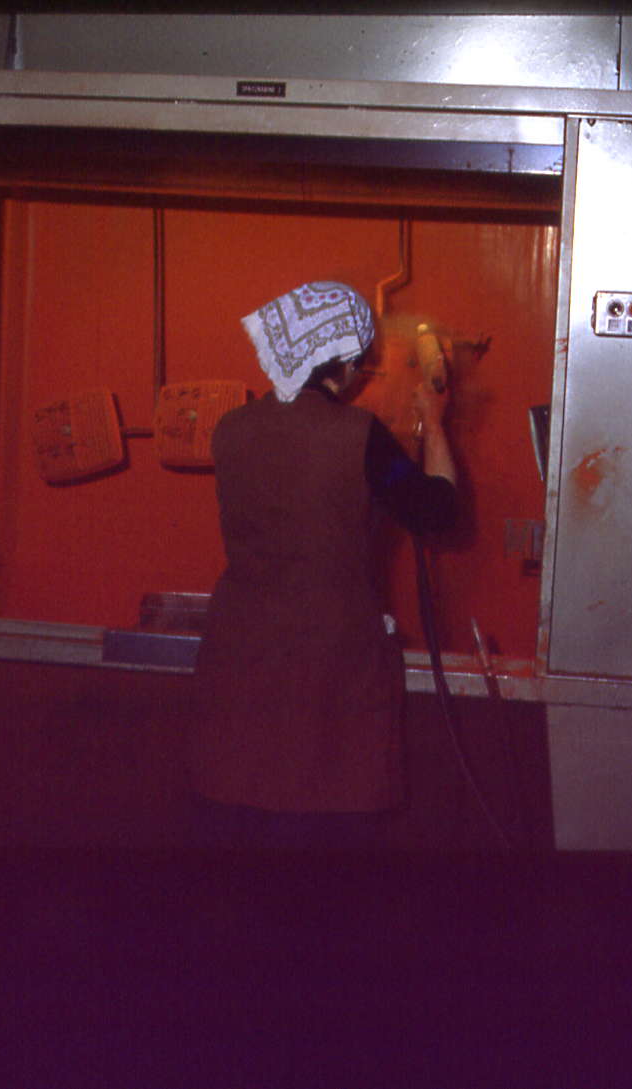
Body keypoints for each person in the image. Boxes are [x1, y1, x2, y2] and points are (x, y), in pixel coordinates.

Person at [190, 281, 459, 849]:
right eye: (361, 363)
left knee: (240, 855)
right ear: (344, 361)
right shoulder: (361, 438)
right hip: (328, 679)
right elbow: (436, 511)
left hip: (238, 668)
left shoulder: (230, 429)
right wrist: (434, 422)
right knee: (321, 863)